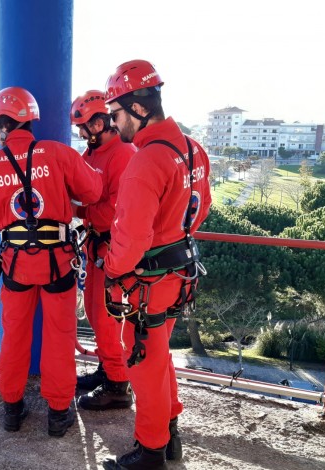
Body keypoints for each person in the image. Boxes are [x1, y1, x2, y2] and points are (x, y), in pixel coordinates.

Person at [100, 60, 212, 469]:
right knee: (159, 354)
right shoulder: (191, 148)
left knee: (144, 363)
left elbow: (129, 240)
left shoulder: (145, 162)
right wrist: (172, 238)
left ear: (138, 109)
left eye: (116, 115)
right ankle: (170, 436)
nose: (114, 125)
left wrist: (111, 268)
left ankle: (151, 453)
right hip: (179, 272)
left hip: (148, 281)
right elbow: (201, 207)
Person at [0, 86, 102, 437]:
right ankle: (59, 412)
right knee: (60, 336)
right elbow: (93, 192)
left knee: (14, 335)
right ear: (29, 119)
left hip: (15, 263)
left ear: (3, 125)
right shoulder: (58, 153)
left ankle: (12, 408)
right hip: (58, 262)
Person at [69, 90, 135, 410]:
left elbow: (113, 210)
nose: (82, 133)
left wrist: (82, 213)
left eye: (85, 126)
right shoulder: (92, 153)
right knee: (97, 316)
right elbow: (77, 188)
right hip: (97, 244)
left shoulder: (122, 154)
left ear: (101, 122)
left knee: (105, 316)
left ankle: (118, 384)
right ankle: (108, 368)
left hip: (111, 245)